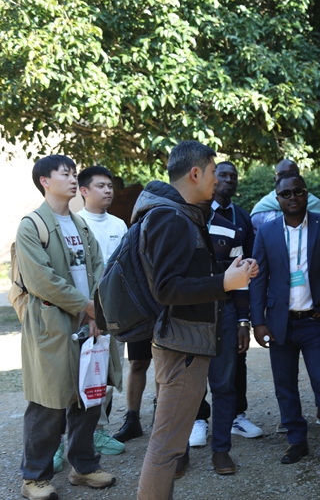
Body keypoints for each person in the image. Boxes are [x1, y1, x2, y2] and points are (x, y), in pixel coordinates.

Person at [134, 141, 257, 500]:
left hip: (186, 341)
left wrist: (230, 274)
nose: (219, 179)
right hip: (181, 345)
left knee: (168, 442)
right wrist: (224, 283)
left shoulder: (178, 212)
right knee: (168, 445)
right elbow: (167, 288)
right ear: (195, 173)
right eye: (215, 171)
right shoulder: (169, 217)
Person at [16, 155, 117, 500]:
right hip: (53, 326)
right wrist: (87, 307)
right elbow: (41, 279)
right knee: (49, 401)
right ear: (45, 180)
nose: (73, 179)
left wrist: (96, 312)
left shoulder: (80, 224)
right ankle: (35, 478)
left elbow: (100, 268)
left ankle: (84, 467)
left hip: (88, 322)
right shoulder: (32, 225)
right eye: (65, 174)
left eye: (75, 174)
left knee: (88, 396)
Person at [250, 172, 320, 472]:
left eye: (297, 192)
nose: (292, 198)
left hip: (314, 321)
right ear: (278, 199)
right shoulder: (268, 231)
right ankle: (297, 441)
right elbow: (257, 277)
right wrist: (257, 321)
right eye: (285, 194)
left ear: (306, 194)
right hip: (279, 323)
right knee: (284, 386)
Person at [187, 198, 251, 476]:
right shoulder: (176, 225)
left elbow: (242, 281)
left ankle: (221, 450)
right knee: (186, 388)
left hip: (223, 314)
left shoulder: (230, 229)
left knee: (224, 385)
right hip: (185, 317)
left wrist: (243, 321)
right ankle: (179, 452)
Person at [77, 166, 128, 458]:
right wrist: (89, 312)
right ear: (84, 191)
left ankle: (99, 433)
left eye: (110, 186)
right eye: (100, 186)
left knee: (106, 374)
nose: (108, 190)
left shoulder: (119, 225)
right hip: (83, 313)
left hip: (113, 314)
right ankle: (65, 440)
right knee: (78, 376)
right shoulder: (74, 224)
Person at [212, 161, 263, 439]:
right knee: (199, 365)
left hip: (233, 307)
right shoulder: (196, 214)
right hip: (201, 304)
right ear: (212, 179)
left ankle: (237, 416)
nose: (229, 180)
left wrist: (246, 318)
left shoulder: (242, 218)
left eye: (233, 176)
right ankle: (198, 419)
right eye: (223, 175)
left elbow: (249, 268)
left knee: (236, 360)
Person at [250, 159, 320, 234]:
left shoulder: (315, 204)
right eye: (282, 174)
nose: (287, 178)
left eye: (292, 173)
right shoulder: (262, 209)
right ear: (275, 179)